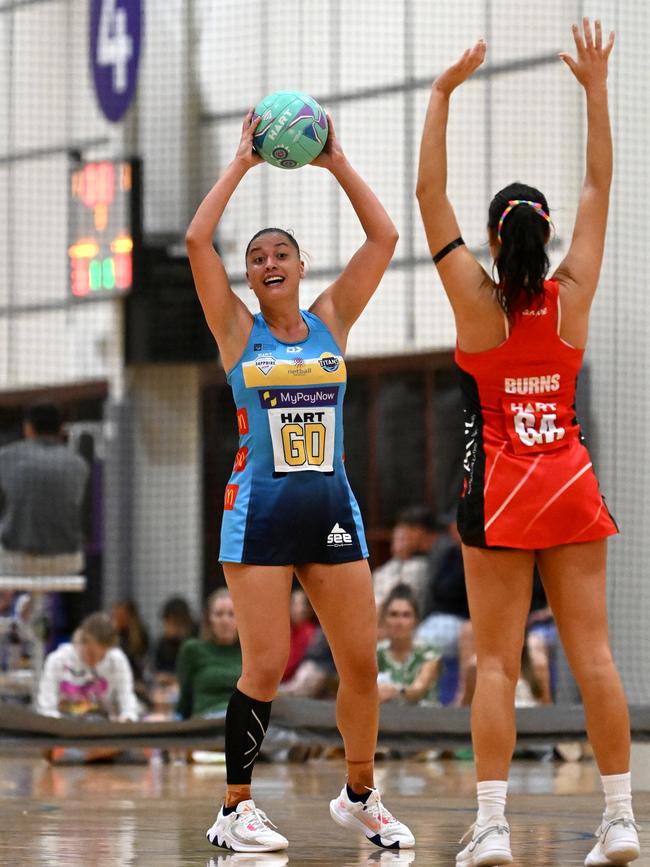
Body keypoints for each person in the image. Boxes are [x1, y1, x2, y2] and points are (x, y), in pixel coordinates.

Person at [417, 19, 639, 867]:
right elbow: (598, 184)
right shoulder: (572, 293)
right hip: (571, 485)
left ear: (494, 234)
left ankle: (493, 828)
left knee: (498, 667)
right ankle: (619, 819)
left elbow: (429, 201)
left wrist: (440, 95)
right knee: (593, 656)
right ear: (543, 235)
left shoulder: (476, 303)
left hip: (502, 492)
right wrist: (594, 88)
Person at [186, 108, 413, 853]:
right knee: (266, 664)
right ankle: (234, 807)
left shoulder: (330, 320)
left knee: (360, 663)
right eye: (256, 257)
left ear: (302, 263)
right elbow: (195, 241)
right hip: (257, 516)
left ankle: (359, 794)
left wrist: (338, 161)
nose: (267, 261)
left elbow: (385, 238)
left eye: (280, 251)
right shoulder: (234, 331)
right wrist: (242, 162)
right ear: (248, 277)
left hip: (331, 512)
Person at [0, 402, 89, 646]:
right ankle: (75, 643)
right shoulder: (79, 464)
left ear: (28, 428)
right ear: (61, 429)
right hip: (67, 563)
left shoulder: (5, 458)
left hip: (16, 561)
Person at [36, 612, 139, 721]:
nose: (94, 661)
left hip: (102, 727)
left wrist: (127, 718)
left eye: (102, 656)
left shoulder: (116, 660)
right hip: (65, 726)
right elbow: (46, 708)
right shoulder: (57, 660)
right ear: (80, 641)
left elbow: (128, 701)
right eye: (91, 654)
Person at [176, 589, 242, 718]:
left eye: (231, 614)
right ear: (209, 619)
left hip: (245, 720)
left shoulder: (251, 652)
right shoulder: (192, 649)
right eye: (218, 614)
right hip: (208, 720)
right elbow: (185, 697)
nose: (225, 620)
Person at [376, 585, 440, 706]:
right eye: (393, 615)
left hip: (427, 720)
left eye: (406, 615)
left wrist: (395, 690)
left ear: (416, 621)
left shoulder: (429, 653)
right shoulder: (376, 653)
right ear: (384, 620)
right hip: (385, 719)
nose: (399, 622)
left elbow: (418, 690)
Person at [372, 506, 439, 614]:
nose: (402, 534)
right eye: (396, 537)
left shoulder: (421, 565)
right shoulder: (389, 566)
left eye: (404, 537)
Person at [282, 588, 318, 682]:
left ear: (309, 609)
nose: (300, 609)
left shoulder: (312, 633)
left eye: (303, 604)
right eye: (294, 604)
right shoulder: (282, 629)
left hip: (297, 681)